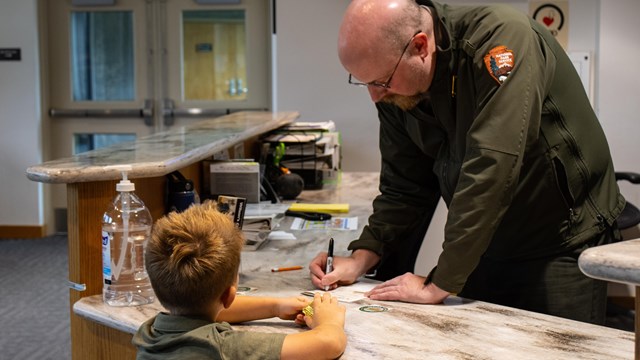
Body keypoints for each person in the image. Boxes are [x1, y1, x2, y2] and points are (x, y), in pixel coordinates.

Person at [309, 0, 624, 325]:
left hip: (558, 239)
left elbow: (492, 166)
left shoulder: (500, 40)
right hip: (485, 242)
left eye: (381, 81)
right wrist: (363, 255)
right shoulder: (396, 86)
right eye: (364, 82)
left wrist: (439, 282)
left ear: (420, 46)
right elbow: (404, 185)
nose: (375, 96)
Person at [133, 201, 346, 360]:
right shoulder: (222, 348)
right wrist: (330, 321)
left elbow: (210, 307)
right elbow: (328, 343)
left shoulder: (149, 332)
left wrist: (276, 306)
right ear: (229, 295)